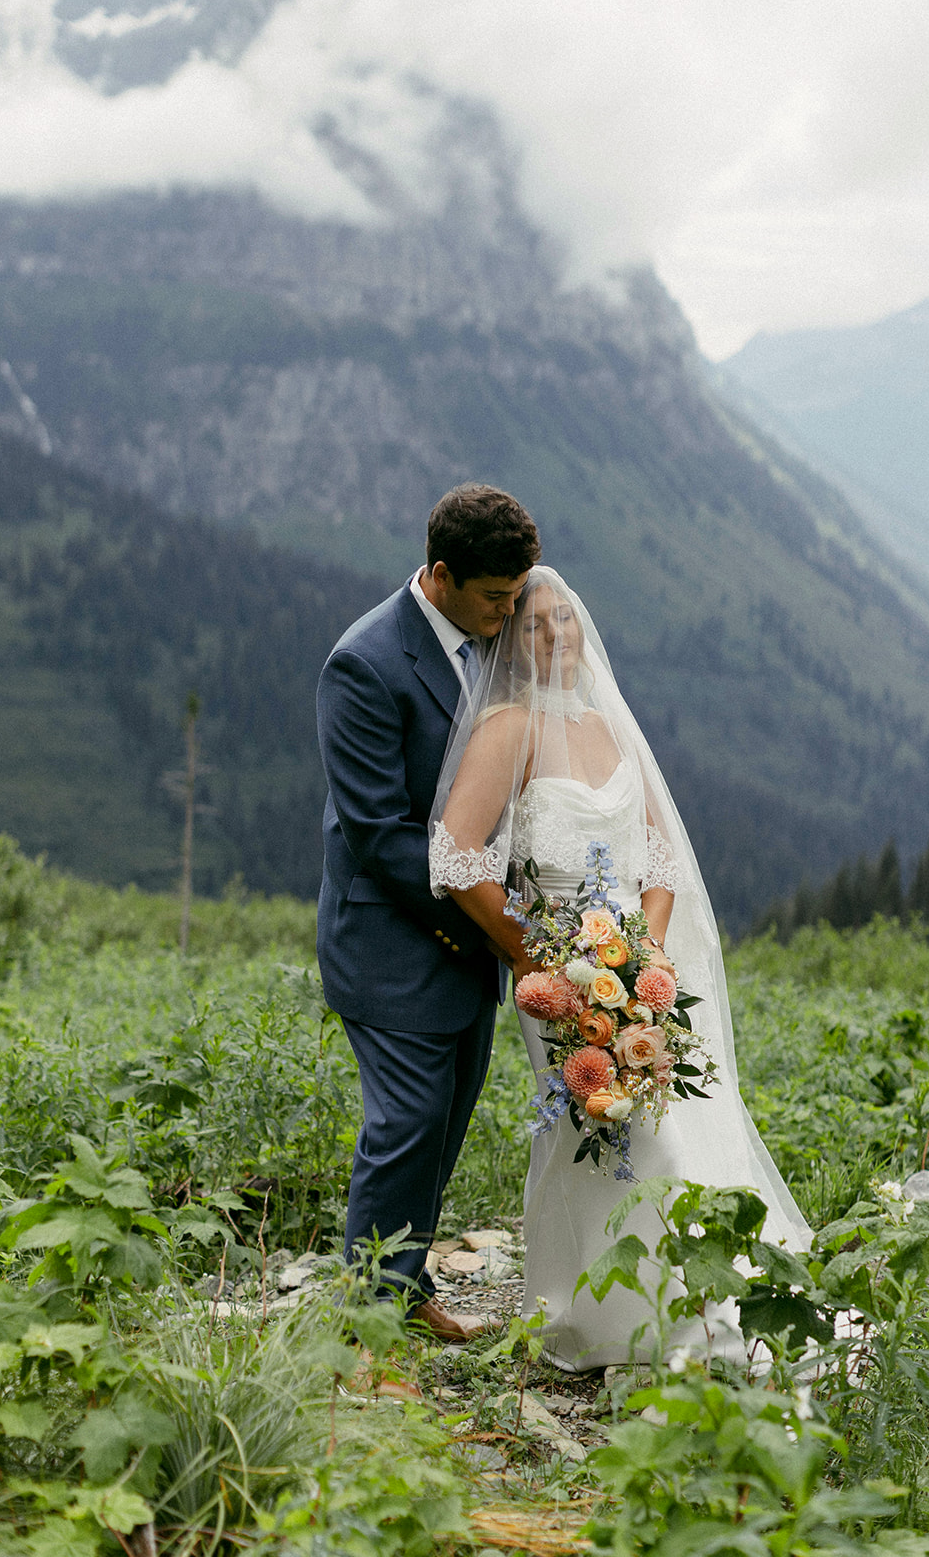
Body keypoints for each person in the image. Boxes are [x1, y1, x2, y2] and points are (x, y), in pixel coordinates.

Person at [428, 566, 810, 1370]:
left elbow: (660, 854)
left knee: (684, 1121)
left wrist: (648, 956)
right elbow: (457, 859)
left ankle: (710, 1295)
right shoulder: (505, 728)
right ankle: (618, 1317)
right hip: (563, 975)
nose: (556, 637)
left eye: (565, 621)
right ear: (511, 642)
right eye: (535, 626)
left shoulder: (607, 725)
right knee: (603, 1128)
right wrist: (540, 957)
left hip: (642, 967)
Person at [316, 483, 541, 1346]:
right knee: (403, 1123)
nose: (508, 611)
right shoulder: (365, 663)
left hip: (467, 942)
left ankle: (399, 1289)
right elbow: (377, 835)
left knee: (441, 1124)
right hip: (388, 940)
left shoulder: (494, 640)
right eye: (494, 597)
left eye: (517, 595)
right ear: (441, 576)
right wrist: (497, 925)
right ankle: (362, 1326)